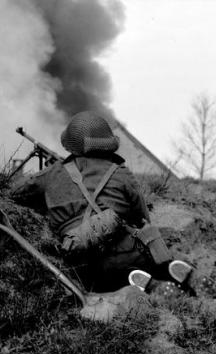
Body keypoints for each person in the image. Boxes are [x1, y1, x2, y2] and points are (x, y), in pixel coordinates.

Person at [10, 111, 205, 296]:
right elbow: (143, 218)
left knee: (104, 278)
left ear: (71, 143)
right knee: (146, 258)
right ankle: (169, 271)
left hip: (85, 262)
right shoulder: (121, 173)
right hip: (127, 250)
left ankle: (137, 281)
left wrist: (53, 186)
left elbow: (14, 194)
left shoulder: (51, 175)